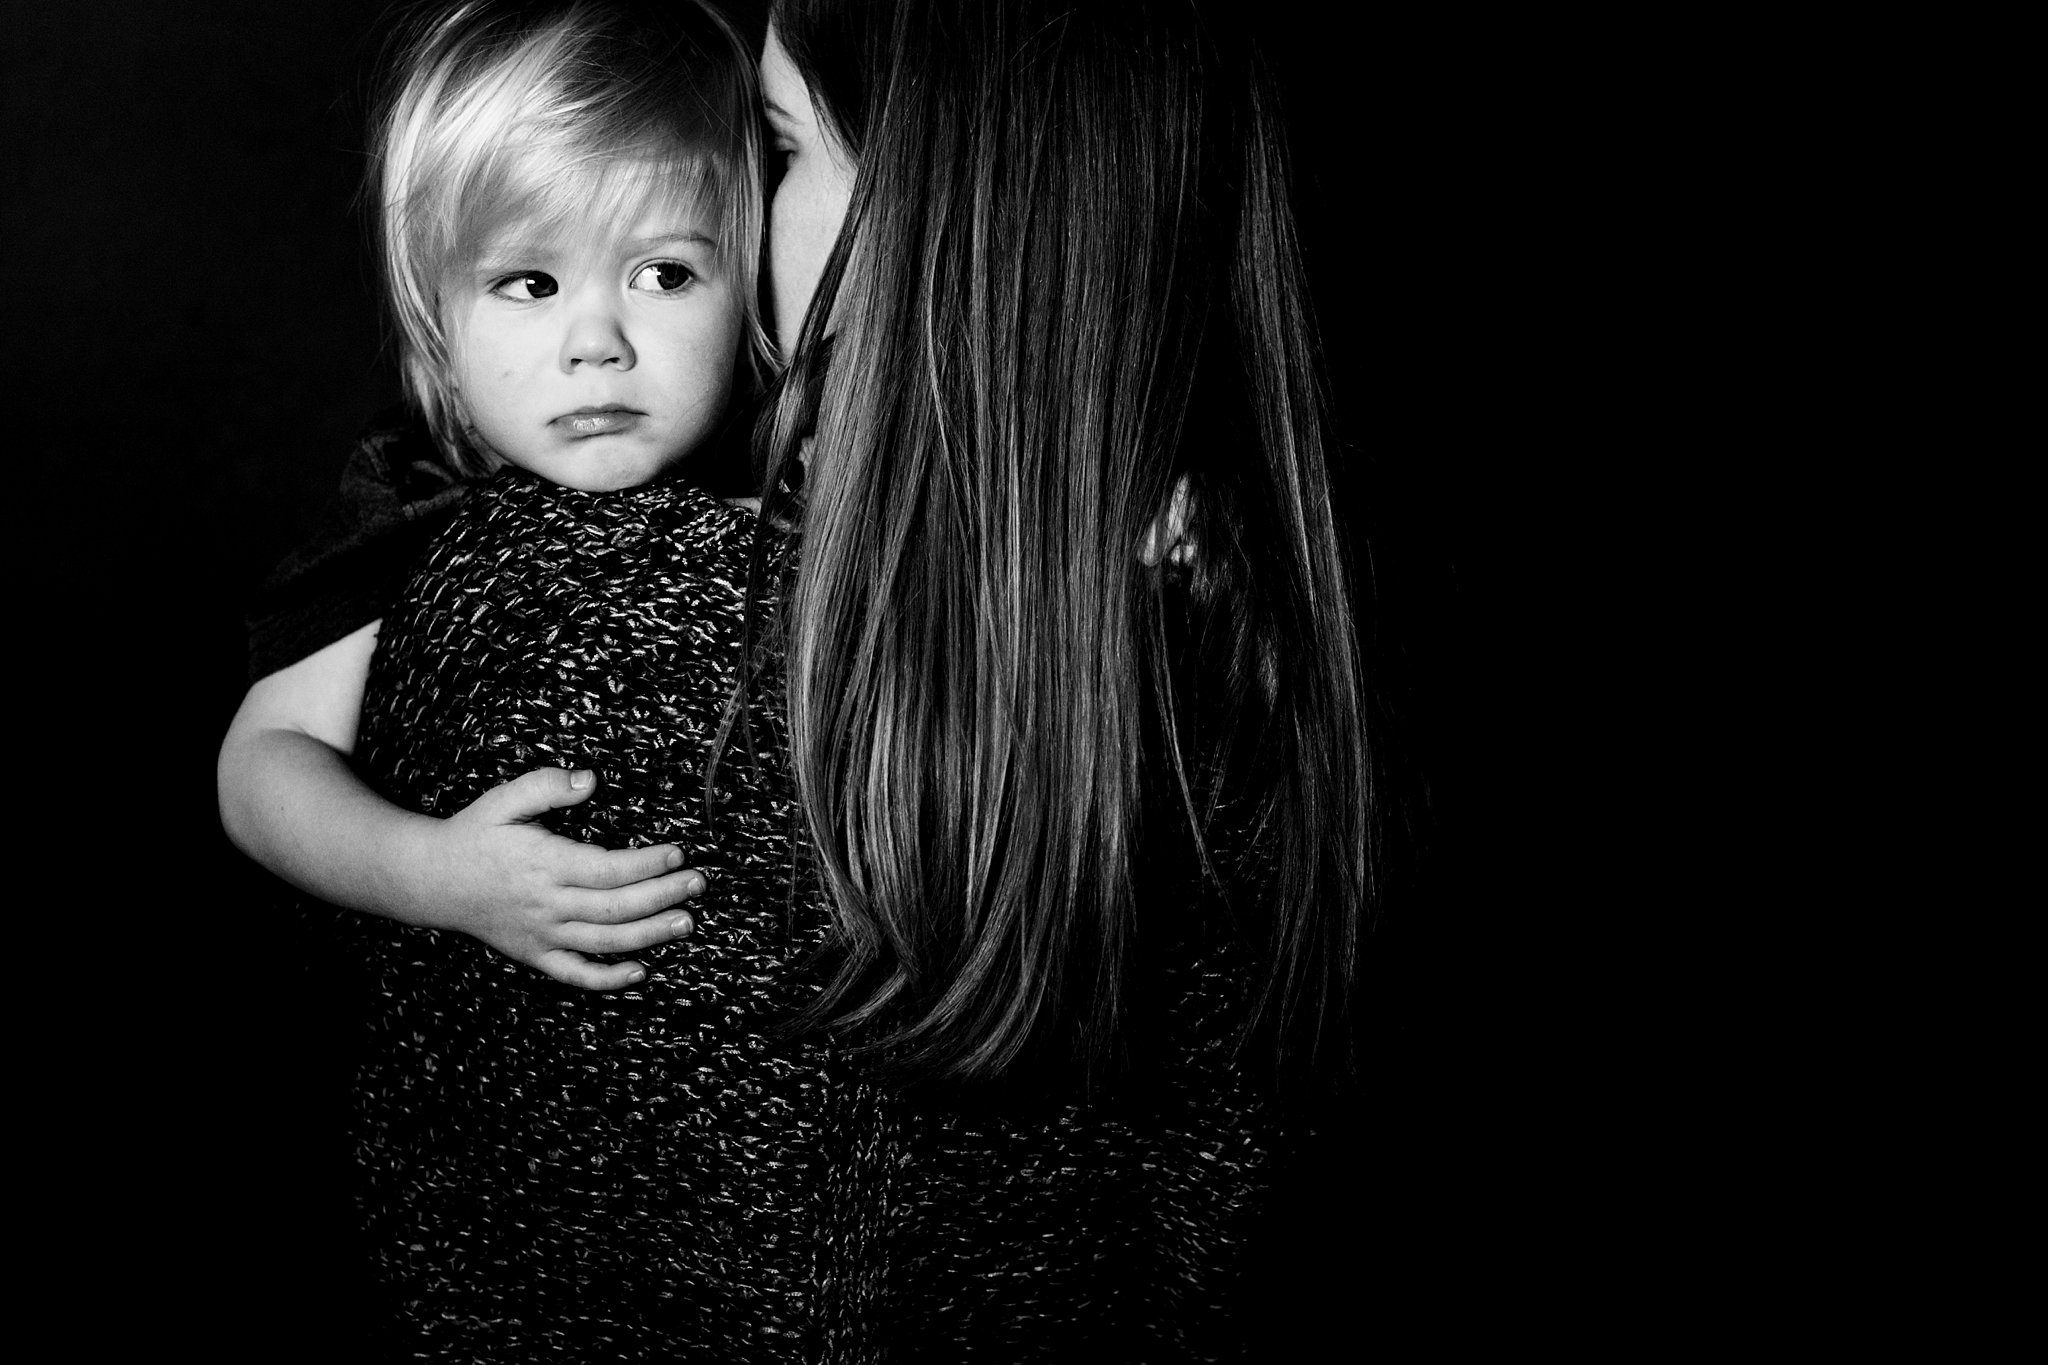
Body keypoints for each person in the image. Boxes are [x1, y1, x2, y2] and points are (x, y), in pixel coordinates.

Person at [222, 0, 1377, 1358]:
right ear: (435, 317)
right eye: (530, 285)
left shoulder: (789, 459)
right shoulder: (428, 531)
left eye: (669, 270)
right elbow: (258, 764)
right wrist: (432, 871)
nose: (598, 344)